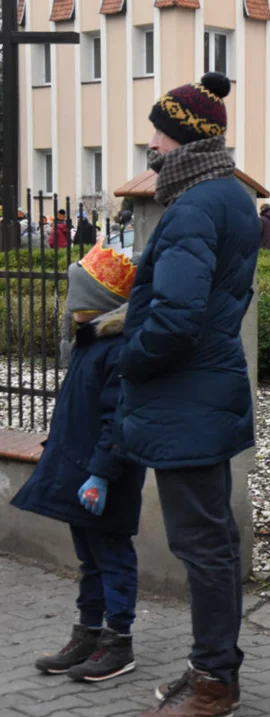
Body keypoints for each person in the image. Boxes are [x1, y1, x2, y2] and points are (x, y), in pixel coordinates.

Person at [117, 71, 260, 717]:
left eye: (158, 131)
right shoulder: (227, 196)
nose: (150, 143)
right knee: (211, 543)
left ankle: (214, 685)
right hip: (206, 391)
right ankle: (212, 667)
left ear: (180, 140)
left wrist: (129, 351)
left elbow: (174, 318)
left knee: (202, 546)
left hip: (186, 397)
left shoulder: (196, 205)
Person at [11, 242, 144, 684]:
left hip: (103, 475)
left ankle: (118, 641)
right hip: (81, 470)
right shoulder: (91, 344)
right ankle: (87, 632)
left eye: (77, 297)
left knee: (113, 557)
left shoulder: (118, 349)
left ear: (97, 302)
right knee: (90, 559)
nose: (70, 306)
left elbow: (118, 420)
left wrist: (101, 475)